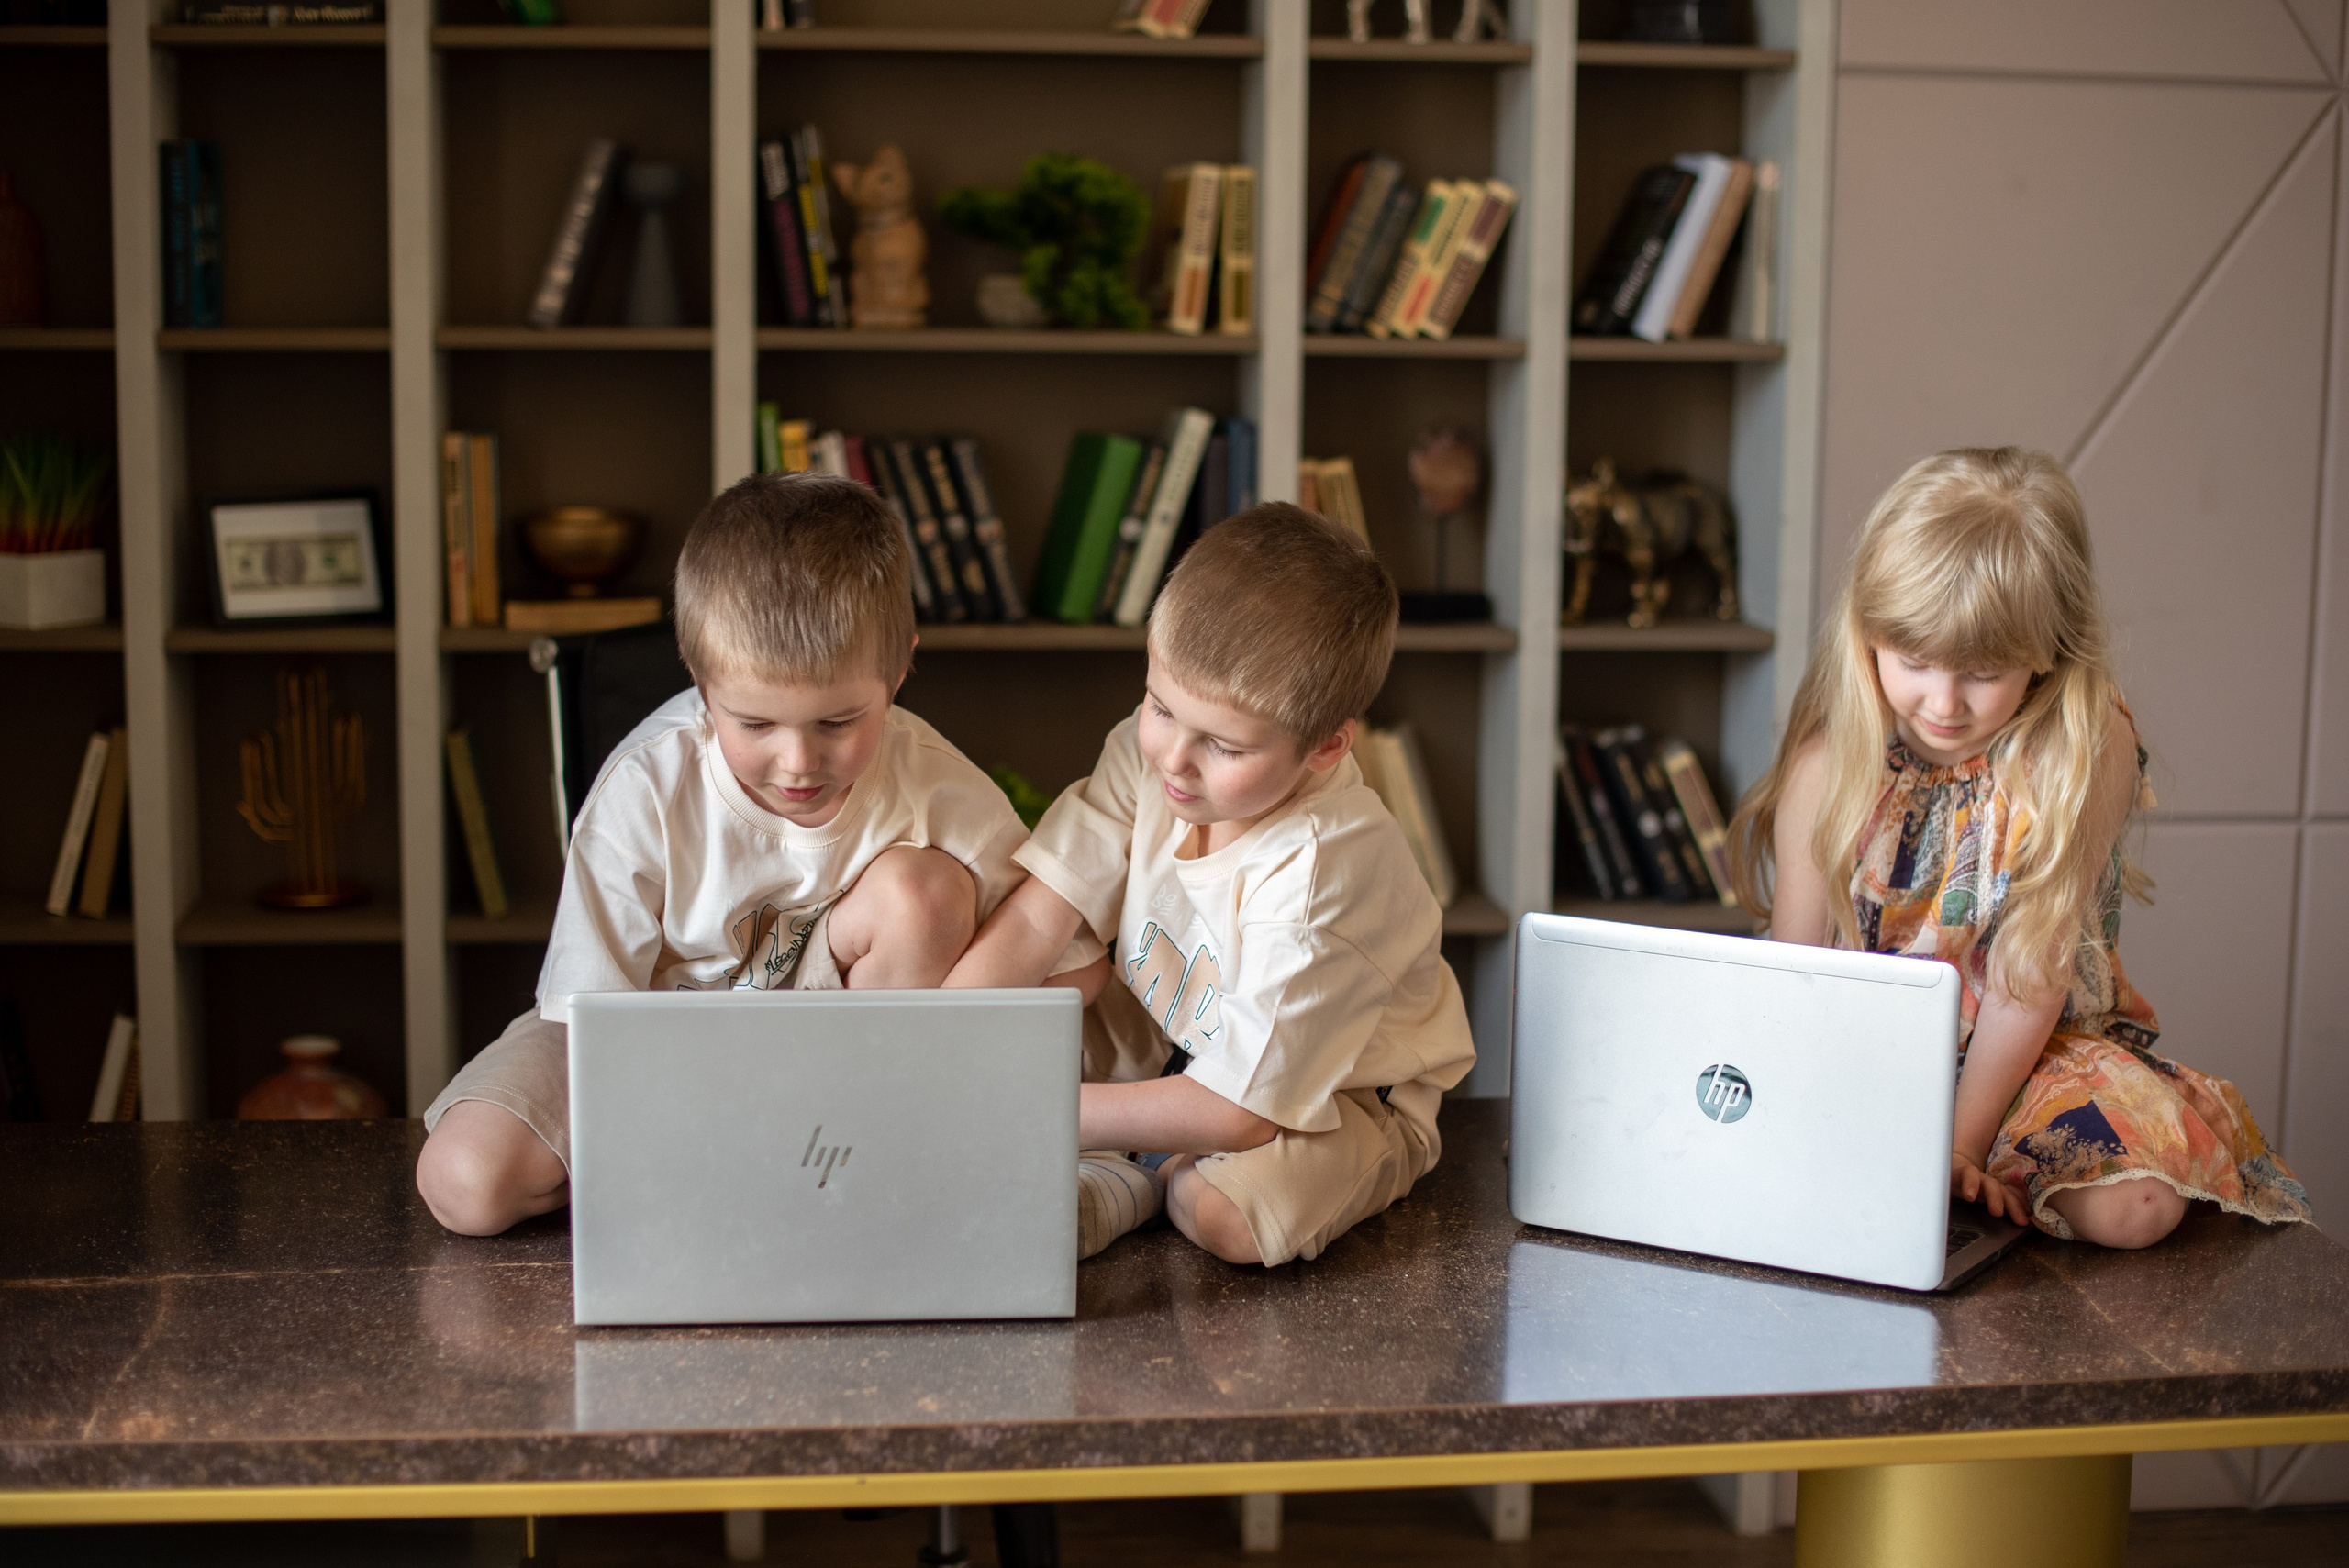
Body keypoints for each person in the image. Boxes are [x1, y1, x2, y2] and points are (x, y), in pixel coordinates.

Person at [416, 473, 1089, 1236]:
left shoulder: (938, 783)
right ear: (698, 675)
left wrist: (947, 1045)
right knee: (465, 1181)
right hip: (646, 1031)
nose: (798, 762)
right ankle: (746, 1168)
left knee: (925, 891)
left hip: (832, 1053)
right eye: (756, 723)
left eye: (839, 721)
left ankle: (853, 1150)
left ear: (902, 666)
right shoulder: (644, 787)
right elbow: (593, 1018)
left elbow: (1069, 957)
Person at [1726, 447, 2310, 1248]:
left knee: (2134, 1208)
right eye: (1914, 660)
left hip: (2026, 1049)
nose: (1943, 701)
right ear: (1869, 634)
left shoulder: (2081, 747)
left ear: (2047, 649)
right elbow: (1794, 968)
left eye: (1982, 672)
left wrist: (1959, 1146)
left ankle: (1986, 1161)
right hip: (1860, 1041)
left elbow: (2026, 980)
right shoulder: (1833, 755)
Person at [945, 503, 1477, 1267]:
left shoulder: (1322, 873)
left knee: (1224, 1211)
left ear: (1326, 746)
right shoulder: (1153, 754)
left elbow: (1237, 1113)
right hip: (1179, 1041)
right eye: (1161, 707)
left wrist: (1030, 1111)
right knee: (1044, 974)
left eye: (1223, 745)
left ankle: (1138, 1172)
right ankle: (1135, 1158)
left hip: (1336, 1096)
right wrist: (938, 1046)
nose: (1173, 760)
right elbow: (1040, 917)